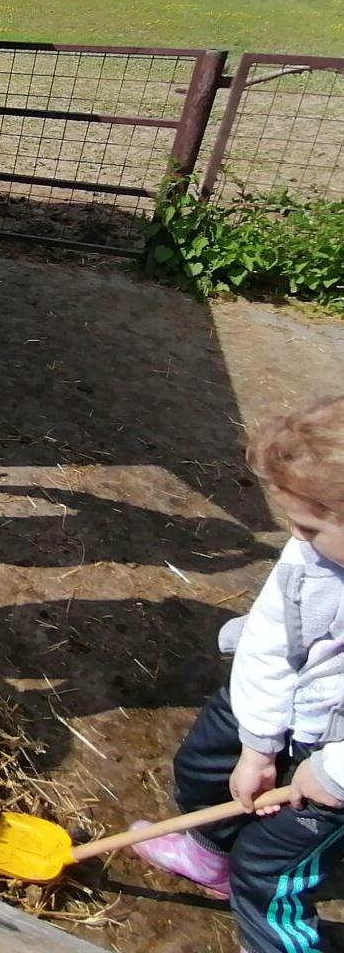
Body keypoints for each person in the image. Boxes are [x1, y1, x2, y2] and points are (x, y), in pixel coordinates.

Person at [131, 397, 344, 953]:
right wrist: (258, 744)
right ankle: (208, 854)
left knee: (270, 870)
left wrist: (334, 775)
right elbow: (271, 636)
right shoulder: (315, 555)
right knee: (205, 767)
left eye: (308, 525)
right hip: (285, 697)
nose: (295, 539)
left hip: (336, 751)